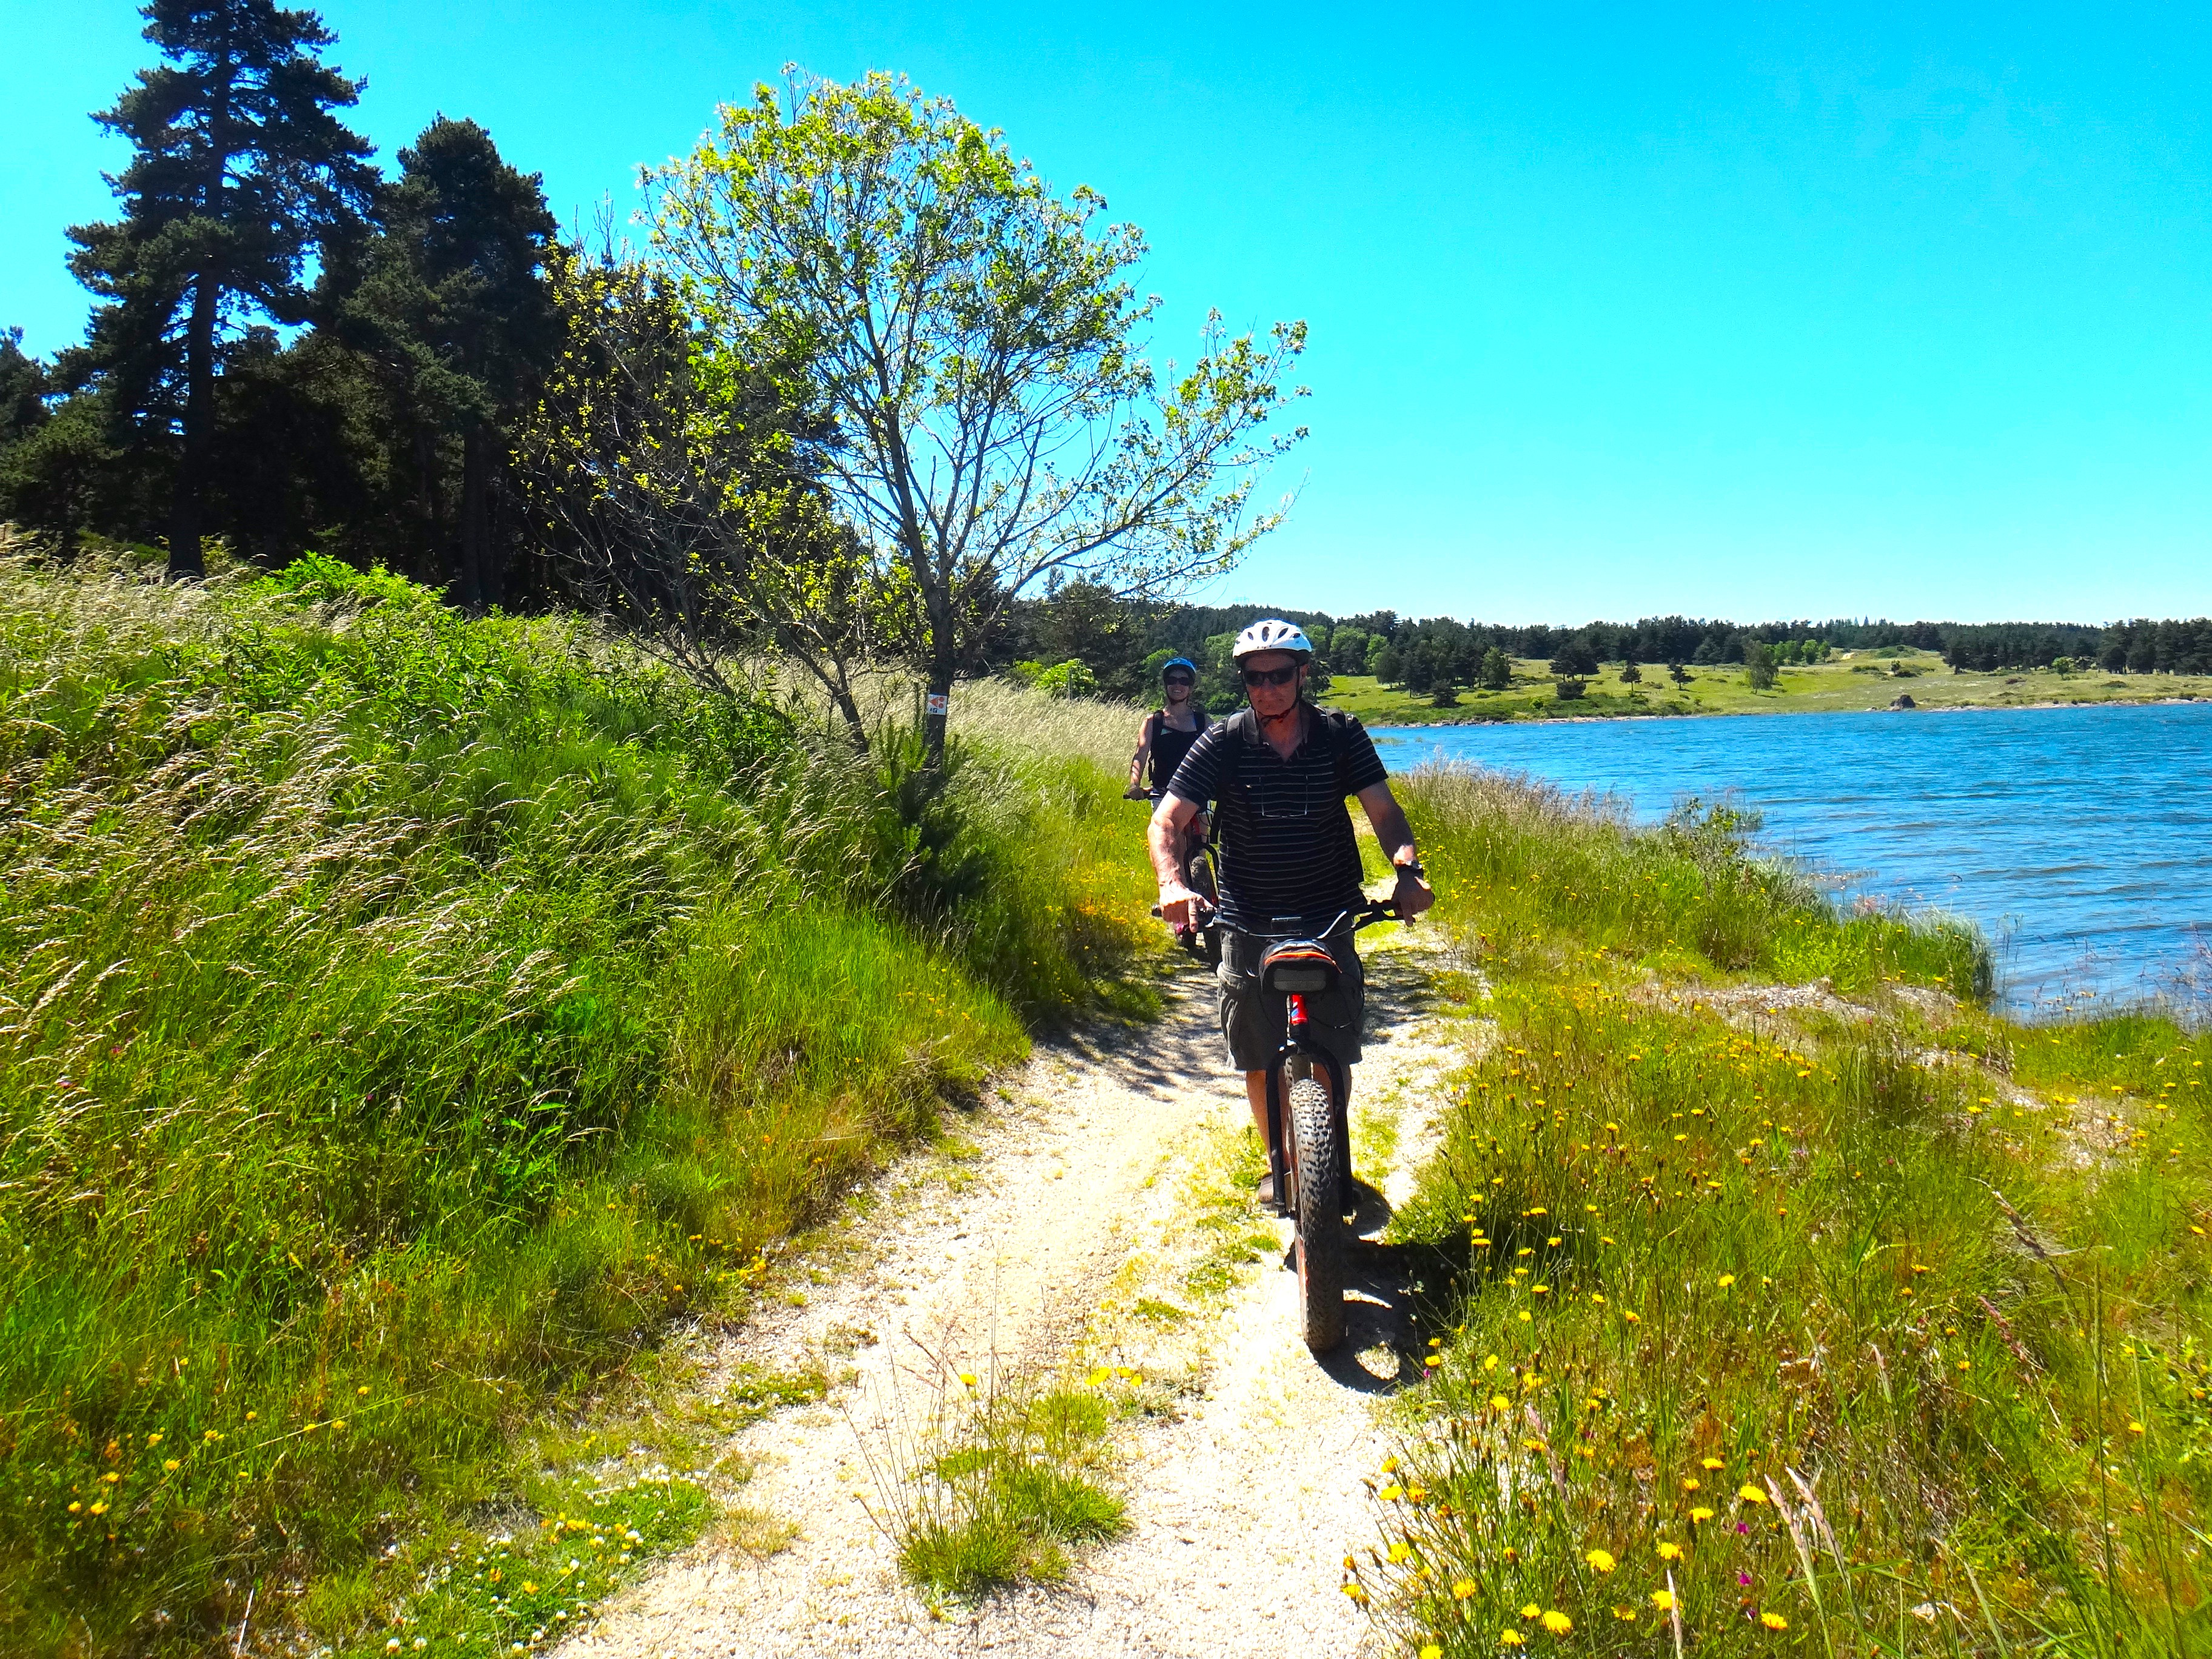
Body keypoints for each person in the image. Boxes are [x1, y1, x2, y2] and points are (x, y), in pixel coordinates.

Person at [1148, 620, 1433, 1200]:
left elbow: (1385, 814)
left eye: (1280, 675)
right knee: (1257, 1052)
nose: (1267, 687)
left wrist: (1407, 873)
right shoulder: (1224, 740)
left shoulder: (1340, 734)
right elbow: (1166, 821)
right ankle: (1280, 1161)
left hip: (1328, 909)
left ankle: (1323, 1162)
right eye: (1255, 678)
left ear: (1303, 674)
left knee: (1332, 1048)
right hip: (1248, 912)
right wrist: (1173, 883)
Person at [1125, 655, 1212, 879]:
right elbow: (1141, 754)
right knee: (1171, 848)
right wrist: (1135, 783)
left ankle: (1203, 890)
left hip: (1197, 794)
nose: (1178, 685)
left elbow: (1217, 757)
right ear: (1166, 685)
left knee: (1200, 849)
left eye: (1184, 681)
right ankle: (1171, 891)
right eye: (1173, 680)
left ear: (1191, 687)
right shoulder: (1154, 722)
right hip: (1164, 793)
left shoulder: (1203, 722)